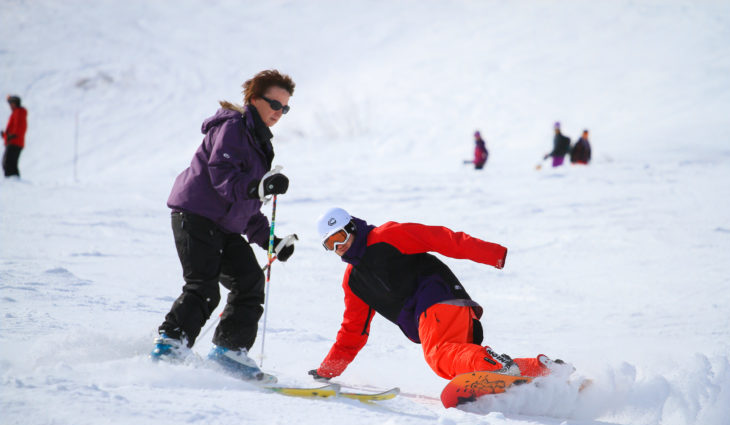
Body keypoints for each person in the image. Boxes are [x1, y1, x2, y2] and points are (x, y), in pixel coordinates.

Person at [151, 70, 298, 382]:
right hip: (196, 215)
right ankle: (170, 344)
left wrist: (271, 242)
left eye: (285, 108)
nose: (278, 112)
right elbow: (222, 175)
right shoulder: (233, 126)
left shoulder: (259, 143)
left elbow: (248, 207)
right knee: (203, 287)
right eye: (274, 103)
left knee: (250, 281)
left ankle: (228, 352)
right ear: (254, 99)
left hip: (224, 226)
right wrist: (259, 186)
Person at [308, 207, 566, 383]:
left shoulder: (386, 237)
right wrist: (328, 370)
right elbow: (353, 330)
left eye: (340, 237)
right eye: (330, 245)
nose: (339, 247)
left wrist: (493, 254)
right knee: (463, 369)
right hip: (443, 316)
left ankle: (498, 366)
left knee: (439, 356)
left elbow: (442, 239)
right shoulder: (353, 281)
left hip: (436, 299)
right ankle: (542, 371)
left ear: (352, 227)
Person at [3, 95, 27, 178]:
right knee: (9, 164)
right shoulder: (16, 112)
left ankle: (13, 183)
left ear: (15, 103)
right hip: (14, 141)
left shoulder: (19, 112)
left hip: (15, 142)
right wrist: (5, 135)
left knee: (8, 163)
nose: (10, 105)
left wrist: (13, 135)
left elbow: (20, 126)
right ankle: (14, 182)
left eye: (11, 103)